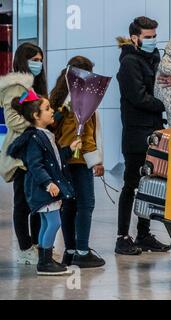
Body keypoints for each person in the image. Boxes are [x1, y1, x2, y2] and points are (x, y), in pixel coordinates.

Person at [7, 90, 80, 275]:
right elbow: (35, 165)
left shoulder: (45, 135)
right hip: (43, 190)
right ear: (36, 116)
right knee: (54, 223)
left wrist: (69, 150)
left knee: (48, 223)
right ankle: (45, 262)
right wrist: (48, 184)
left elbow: (53, 161)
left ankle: (43, 259)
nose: (52, 111)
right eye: (47, 108)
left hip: (46, 188)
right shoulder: (34, 138)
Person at [116, 16, 169, 255]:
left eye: (154, 35)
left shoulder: (155, 57)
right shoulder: (129, 62)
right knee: (131, 185)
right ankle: (122, 237)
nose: (153, 40)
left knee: (149, 185)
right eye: (148, 37)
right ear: (135, 38)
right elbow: (138, 97)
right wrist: (166, 104)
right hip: (137, 134)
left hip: (155, 131)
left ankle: (144, 233)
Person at [50, 56, 106, 268]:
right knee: (85, 204)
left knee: (69, 206)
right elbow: (85, 136)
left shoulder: (59, 97)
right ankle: (82, 252)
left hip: (62, 159)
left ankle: (70, 251)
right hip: (79, 160)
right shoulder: (81, 100)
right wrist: (96, 161)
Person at [0, 42, 47, 265]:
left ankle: (37, 244)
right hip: (21, 154)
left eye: (40, 60)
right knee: (22, 203)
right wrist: (38, 124)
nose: (38, 64)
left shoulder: (34, 86)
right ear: (22, 60)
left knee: (38, 202)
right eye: (34, 60)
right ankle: (25, 248)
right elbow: (13, 120)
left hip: (36, 152)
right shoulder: (15, 87)